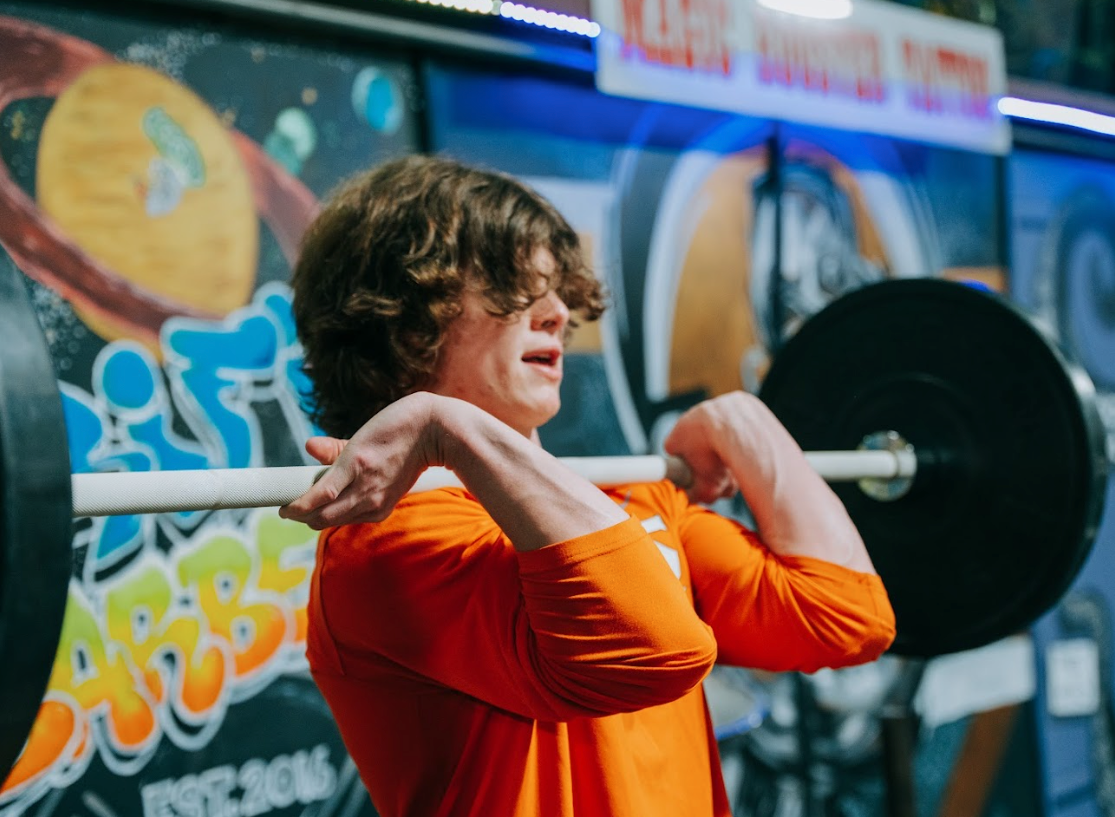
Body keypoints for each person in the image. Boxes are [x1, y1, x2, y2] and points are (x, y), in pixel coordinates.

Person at [281, 154, 896, 817]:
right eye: (511, 286)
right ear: (404, 319)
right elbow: (654, 652)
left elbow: (843, 617)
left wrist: (746, 422)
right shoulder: (389, 542)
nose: (555, 313)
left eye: (556, 290)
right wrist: (447, 425)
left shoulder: (623, 501)